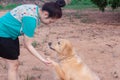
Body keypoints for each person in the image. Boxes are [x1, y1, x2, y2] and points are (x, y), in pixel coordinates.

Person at [0, 0, 66, 80]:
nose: (50, 23)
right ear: (46, 14)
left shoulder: (35, 9)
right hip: (3, 35)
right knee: (12, 65)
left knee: (14, 64)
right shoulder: (30, 19)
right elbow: (28, 45)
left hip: (10, 34)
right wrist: (43, 60)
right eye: (51, 21)